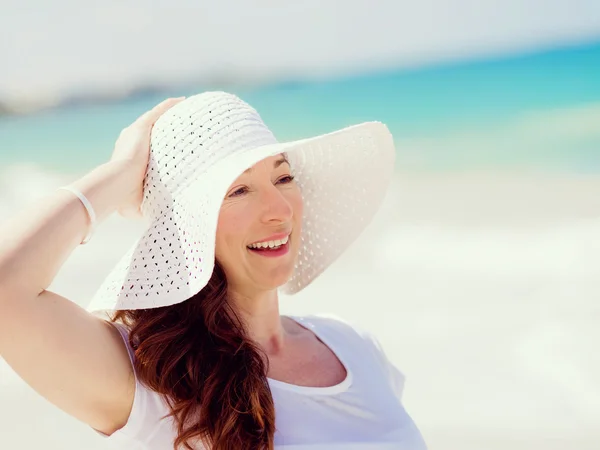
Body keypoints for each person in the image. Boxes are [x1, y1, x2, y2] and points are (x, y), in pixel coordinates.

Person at [0, 92, 427, 449]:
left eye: (283, 178)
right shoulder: (152, 380)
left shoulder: (353, 345)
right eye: (238, 190)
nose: (278, 211)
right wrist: (120, 173)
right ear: (187, 227)